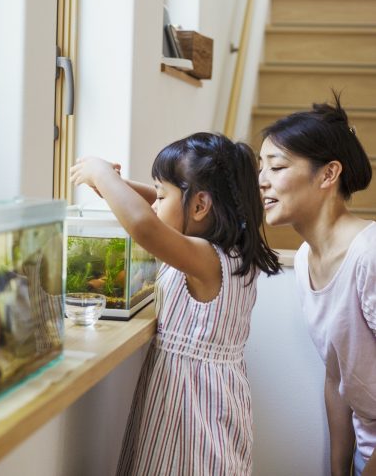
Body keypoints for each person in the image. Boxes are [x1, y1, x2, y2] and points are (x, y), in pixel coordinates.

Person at [70, 132, 281, 475]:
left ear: (199, 205)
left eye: (162, 194)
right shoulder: (231, 252)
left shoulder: (205, 258)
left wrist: (102, 174)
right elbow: (160, 206)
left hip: (191, 413)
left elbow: (145, 225)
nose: (153, 202)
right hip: (212, 400)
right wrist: (118, 187)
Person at [258, 93, 376, 476]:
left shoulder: (369, 254)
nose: (262, 181)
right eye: (261, 167)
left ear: (328, 174)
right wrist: (339, 469)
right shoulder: (309, 256)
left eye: (276, 167)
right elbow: (336, 374)